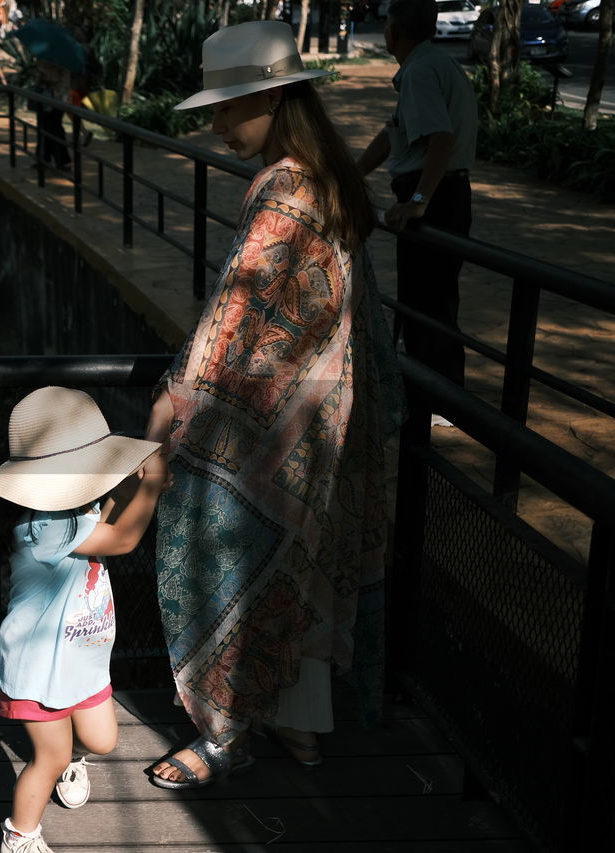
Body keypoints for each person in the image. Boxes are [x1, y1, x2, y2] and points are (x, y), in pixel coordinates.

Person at [144, 20, 401, 789]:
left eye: (229, 108)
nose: (218, 124)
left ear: (276, 98)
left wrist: (172, 405)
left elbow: (232, 312)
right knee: (304, 568)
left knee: (227, 556)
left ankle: (224, 733)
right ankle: (303, 729)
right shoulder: (331, 179)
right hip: (330, 413)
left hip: (274, 423)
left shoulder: (282, 190)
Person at [0, 387, 166, 853]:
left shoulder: (72, 504)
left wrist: (133, 483)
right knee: (49, 756)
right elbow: (121, 539)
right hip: (39, 671)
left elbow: (110, 512)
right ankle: (20, 833)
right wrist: (152, 481)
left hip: (81, 660)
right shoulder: (44, 525)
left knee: (101, 742)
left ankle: (70, 760)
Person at [358, 0, 476, 390]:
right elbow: (394, 134)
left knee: (430, 302)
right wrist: (349, 174)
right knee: (429, 298)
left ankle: (440, 395)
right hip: (444, 192)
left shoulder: (421, 72)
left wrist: (420, 201)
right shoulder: (428, 64)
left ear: (394, 32)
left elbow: (440, 139)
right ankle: (434, 388)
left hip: (436, 196)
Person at [30, 61, 72, 171]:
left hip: (55, 99)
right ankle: (46, 158)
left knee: (54, 129)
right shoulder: (51, 58)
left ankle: (61, 160)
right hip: (50, 99)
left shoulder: (60, 62)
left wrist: (43, 75)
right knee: (47, 128)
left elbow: (56, 79)